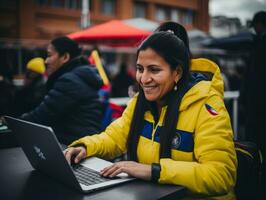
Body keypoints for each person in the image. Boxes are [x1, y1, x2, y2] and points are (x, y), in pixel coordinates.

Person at [64, 29, 237, 199]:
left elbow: (221, 175)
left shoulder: (206, 105)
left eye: (154, 70)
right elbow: (114, 137)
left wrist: (153, 170)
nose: (144, 79)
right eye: (140, 69)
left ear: (177, 72)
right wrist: (84, 148)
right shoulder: (140, 102)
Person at [21, 36, 104, 145]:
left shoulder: (69, 81)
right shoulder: (75, 76)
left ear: (65, 57)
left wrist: (10, 122)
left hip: (76, 147)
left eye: (49, 55)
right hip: (78, 142)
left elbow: (42, 116)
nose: (46, 61)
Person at [240, 11, 266, 185]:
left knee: (256, 143)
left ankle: (256, 174)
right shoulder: (258, 44)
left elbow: (254, 78)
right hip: (256, 105)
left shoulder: (260, 45)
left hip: (257, 106)